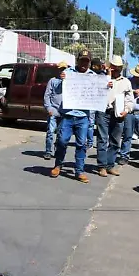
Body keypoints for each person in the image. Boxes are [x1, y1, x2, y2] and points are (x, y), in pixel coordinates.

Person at [47, 52, 93, 183]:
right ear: (78, 61)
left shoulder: (92, 76)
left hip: (83, 117)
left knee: (81, 145)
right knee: (61, 141)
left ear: (89, 62)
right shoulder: (68, 72)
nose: (84, 63)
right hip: (67, 115)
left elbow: (99, 93)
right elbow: (57, 90)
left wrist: (106, 86)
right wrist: (62, 81)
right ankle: (58, 165)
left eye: (86, 61)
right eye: (82, 60)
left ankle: (79, 171)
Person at [96, 55, 134, 177]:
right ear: (110, 67)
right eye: (114, 67)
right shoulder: (102, 78)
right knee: (102, 139)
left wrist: (127, 110)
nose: (116, 69)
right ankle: (102, 166)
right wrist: (107, 78)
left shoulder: (126, 82)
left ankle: (110, 165)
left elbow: (130, 99)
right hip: (104, 111)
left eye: (118, 67)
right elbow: (95, 93)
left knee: (115, 141)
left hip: (118, 114)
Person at [43, 61, 68, 160]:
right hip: (53, 110)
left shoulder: (69, 82)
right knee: (50, 131)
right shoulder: (52, 81)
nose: (63, 71)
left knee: (61, 134)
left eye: (64, 69)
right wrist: (48, 108)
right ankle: (48, 151)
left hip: (64, 111)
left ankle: (58, 151)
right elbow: (47, 95)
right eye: (61, 69)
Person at [86, 58, 105, 149]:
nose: (100, 66)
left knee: (101, 125)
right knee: (90, 124)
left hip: (101, 103)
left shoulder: (103, 75)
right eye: (99, 65)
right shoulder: (89, 75)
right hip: (91, 103)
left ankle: (100, 142)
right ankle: (90, 142)